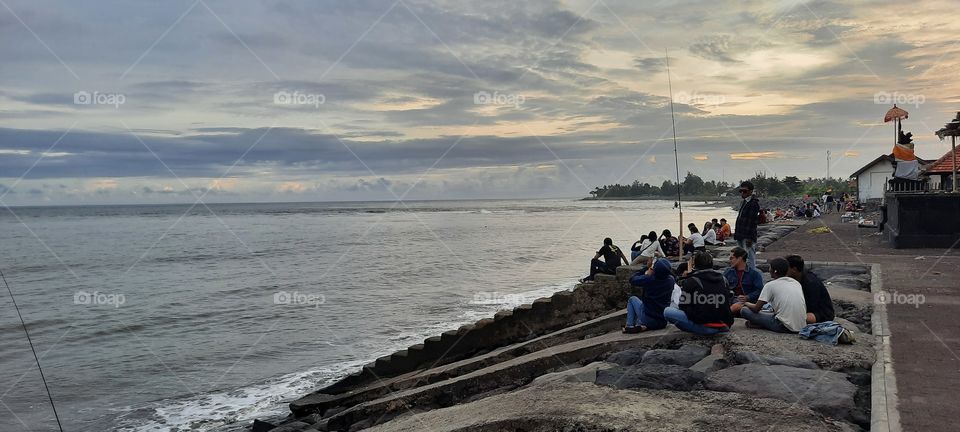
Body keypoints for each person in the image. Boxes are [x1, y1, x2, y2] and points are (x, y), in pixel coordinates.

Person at [663, 252, 734, 335]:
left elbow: (682, 306)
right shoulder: (723, 279)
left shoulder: (691, 281)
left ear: (695, 265)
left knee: (667, 311)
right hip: (724, 324)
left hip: (704, 327)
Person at [739, 258, 807, 333]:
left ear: (774, 271)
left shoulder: (770, 285)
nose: (769, 269)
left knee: (744, 311)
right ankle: (763, 324)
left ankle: (763, 324)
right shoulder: (796, 283)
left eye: (770, 267)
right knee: (769, 312)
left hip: (782, 326)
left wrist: (745, 303)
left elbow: (756, 308)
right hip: (801, 326)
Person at [623, 257, 675, 333]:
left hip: (648, 318)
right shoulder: (671, 280)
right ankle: (640, 324)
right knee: (645, 307)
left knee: (632, 299)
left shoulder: (649, 280)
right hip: (663, 321)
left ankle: (629, 325)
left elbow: (632, 279)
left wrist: (647, 268)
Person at [785, 255, 835, 324]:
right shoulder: (795, 278)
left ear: (794, 269)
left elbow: (811, 306)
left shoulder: (811, 282)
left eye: (786, 268)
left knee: (798, 317)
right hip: (804, 308)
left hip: (820, 312)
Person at [725, 247, 765, 316]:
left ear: (740, 258)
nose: (730, 260)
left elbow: (760, 291)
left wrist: (748, 297)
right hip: (730, 299)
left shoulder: (754, 273)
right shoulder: (728, 272)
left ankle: (728, 313)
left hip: (746, 302)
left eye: (732, 258)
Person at [734, 181, 760, 269]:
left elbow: (752, 222)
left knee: (750, 257)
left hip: (748, 235)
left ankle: (752, 275)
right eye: (740, 191)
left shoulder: (754, 203)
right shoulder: (744, 202)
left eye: (744, 191)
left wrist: (749, 238)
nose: (742, 193)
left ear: (751, 191)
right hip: (740, 234)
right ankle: (743, 272)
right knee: (741, 256)